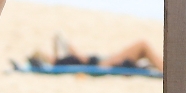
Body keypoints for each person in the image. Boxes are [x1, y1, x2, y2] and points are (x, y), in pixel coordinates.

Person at [29, 36, 163, 72]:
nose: (49, 54)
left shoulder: (59, 60)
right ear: (45, 59)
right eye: (45, 55)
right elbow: (81, 59)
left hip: (103, 62)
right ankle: (166, 70)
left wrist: (57, 52)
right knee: (142, 45)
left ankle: (165, 68)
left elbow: (57, 38)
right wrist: (71, 49)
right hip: (103, 64)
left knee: (142, 48)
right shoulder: (60, 63)